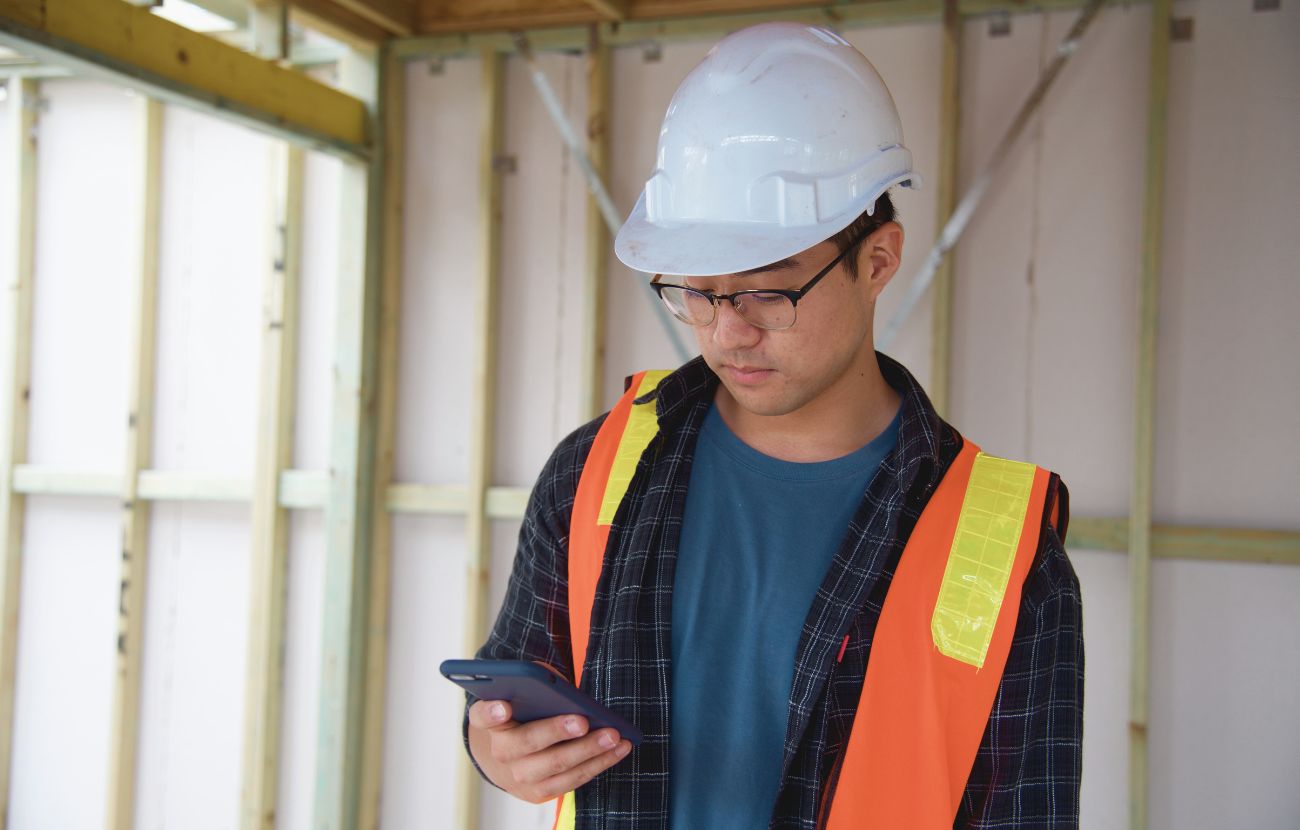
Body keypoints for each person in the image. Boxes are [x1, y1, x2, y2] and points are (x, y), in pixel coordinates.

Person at [463, 22, 1083, 830]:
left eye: (767, 290)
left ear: (878, 260)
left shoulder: (1006, 553)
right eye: (697, 291)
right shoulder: (594, 468)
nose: (726, 332)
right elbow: (518, 688)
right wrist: (495, 748)